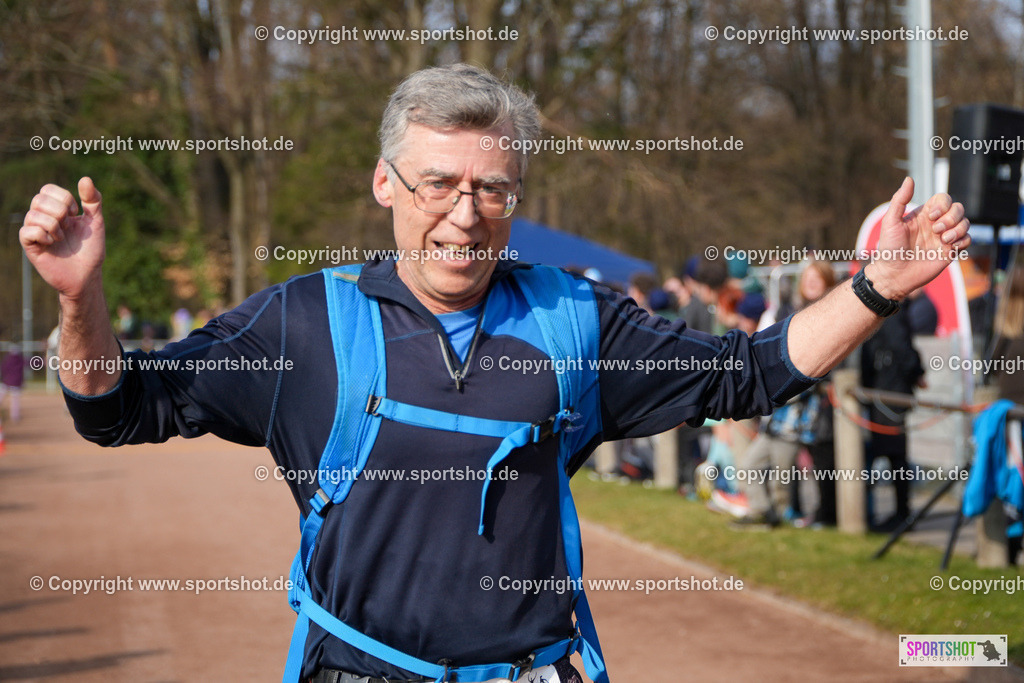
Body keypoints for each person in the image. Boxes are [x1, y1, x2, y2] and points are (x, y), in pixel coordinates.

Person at [20, 64, 969, 682]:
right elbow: (117, 409)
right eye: (438, 182)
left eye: (492, 188)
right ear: (386, 182)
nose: (465, 214)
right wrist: (78, 299)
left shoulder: (573, 317)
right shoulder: (304, 322)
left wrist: (879, 287)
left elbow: (746, 375)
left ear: (518, 194)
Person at [860, 294, 927, 531]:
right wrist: (917, 371)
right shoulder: (893, 309)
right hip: (886, 391)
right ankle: (898, 513)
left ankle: (901, 514)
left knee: (893, 454)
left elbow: (902, 348)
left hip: (887, 392)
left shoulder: (891, 310)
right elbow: (903, 348)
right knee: (891, 453)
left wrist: (916, 370)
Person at [0, 348, 26, 423]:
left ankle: (15, 416)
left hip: (6, 382)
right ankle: (15, 416)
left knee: (1, 397)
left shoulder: (7, 360)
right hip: (16, 383)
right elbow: (29, 363)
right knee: (15, 401)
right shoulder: (20, 360)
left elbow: (3, 369)